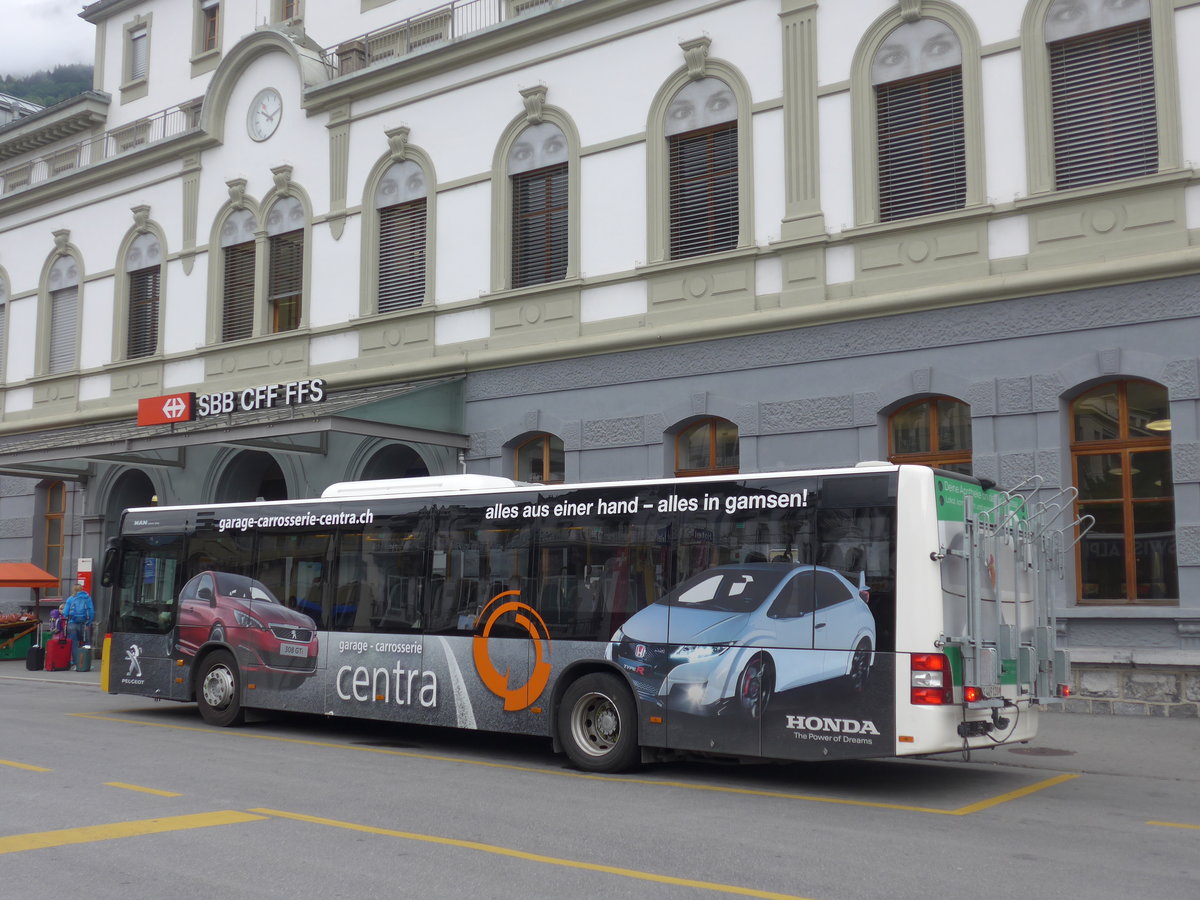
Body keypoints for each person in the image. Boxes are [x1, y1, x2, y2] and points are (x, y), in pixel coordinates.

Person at [62, 579, 94, 652]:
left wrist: (67, 618)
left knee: (74, 643)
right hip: (84, 623)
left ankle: (75, 658)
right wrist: (89, 622)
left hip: (72, 623)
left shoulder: (70, 599)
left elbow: (65, 612)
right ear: (82, 589)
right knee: (86, 642)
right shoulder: (87, 598)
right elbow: (91, 611)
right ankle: (85, 657)